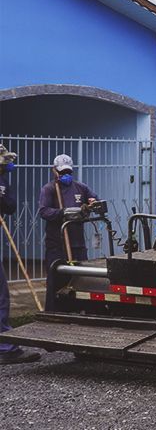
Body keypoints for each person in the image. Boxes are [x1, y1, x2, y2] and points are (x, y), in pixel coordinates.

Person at [38, 155, 98, 308]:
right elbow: (44, 211)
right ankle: (53, 313)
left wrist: (92, 203)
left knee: (80, 281)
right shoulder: (49, 189)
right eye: (62, 172)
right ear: (55, 171)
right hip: (57, 245)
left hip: (77, 244)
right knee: (56, 283)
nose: (66, 175)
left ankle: (77, 312)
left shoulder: (80, 188)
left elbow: (95, 200)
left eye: (68, 172)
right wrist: (62, 213)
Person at [0, 146, 41, 364]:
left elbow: (10, 207)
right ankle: (6, 348)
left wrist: (2, 189)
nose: (8, 165)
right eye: (4, 162)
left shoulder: (3, 181)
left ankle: (6, 346)